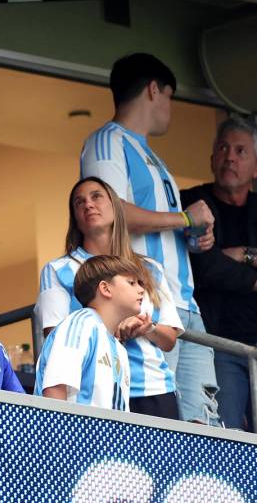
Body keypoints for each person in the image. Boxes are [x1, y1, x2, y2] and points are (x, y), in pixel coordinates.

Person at [80, 52, 219, 425]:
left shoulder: (153, 157)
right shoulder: (108, 140)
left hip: (183, 302)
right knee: (159, 416)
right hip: (147, 301)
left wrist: (192, 235)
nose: (170, 108)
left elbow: (161, 225)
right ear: (154, 89)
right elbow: (112, 212)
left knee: (202, 422)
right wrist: (185, 217)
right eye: (170, 96)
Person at [35, 177, 183, 418]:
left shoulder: (150, 268)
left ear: (116, 207)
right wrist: (107, 327)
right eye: (78, 202)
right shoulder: (58, 269)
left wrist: (146, 327)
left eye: (96, 196)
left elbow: (170, 339)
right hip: (95, 391)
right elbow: (55, 336)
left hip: (154, 388)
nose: (88, 205)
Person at [181, 117, 257, 430]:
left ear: (255, 166)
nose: (230, 157)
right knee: (228, 439)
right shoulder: (192, 202)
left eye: (241, 151)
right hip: (217, 345)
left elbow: (216, 264)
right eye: (223, 148)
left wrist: (242, 254)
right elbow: (205, 268)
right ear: (212, 159)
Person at [36, 255, 143, 411]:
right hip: (73, 434)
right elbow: (55, 389)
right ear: (105, 289)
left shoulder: (119, 349)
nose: (141, 289)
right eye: (131, 283)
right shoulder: (80, 324)